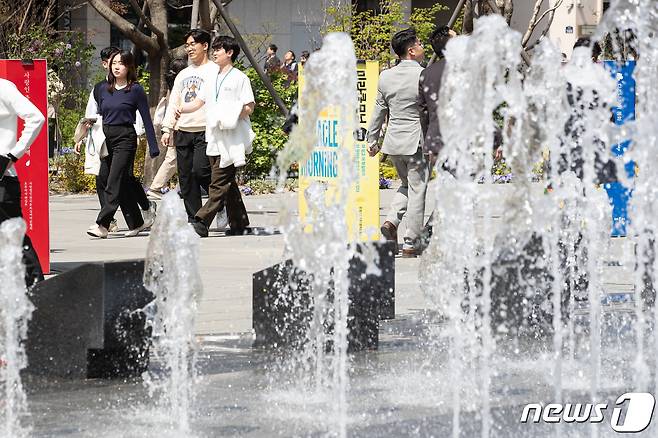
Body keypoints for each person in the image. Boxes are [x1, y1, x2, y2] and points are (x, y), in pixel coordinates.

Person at [178, 35, 253, 238]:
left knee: (218, 181)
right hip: (213, 136)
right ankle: (240, 223)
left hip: (232, 137)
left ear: (229, 53)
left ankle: (201, 222)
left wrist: (228, 116)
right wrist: (180, 109)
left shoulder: (240, 78)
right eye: (215, 49)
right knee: (226, 181)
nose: (215, 52)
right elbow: (199, 102)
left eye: (219, 49)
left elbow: (249, 107)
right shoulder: (211, 78)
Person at [77, 46, 156, 233]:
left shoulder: (135, 90)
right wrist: (83, 135)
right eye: (114, 63)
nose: (116, 67)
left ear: (129, 66)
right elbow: (94, 116)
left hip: (125, 139)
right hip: (107, 138)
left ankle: (103, 224)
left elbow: (146, 118)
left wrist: (153, 146)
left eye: (121, 63)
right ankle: (137, 222)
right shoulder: (103, 89)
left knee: (114, 180)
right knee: (105, 178)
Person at [367, 28, 428, 258]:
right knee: (418, 190)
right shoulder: (423, 75)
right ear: (411, 50)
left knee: (406, 186)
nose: (422, 46)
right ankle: (411, 241)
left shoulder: (385, 76)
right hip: (416, 142)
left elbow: (378, 111)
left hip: (393, 143)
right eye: (419, 43)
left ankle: (391, 222)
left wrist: (372, 140)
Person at [160, 29, 215, 223]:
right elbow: (174, 101)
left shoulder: (214, 71)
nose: (189, 48)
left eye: (193, 44)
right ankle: (195, 218)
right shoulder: (183, 74)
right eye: (187, 45)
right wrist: (168, 128)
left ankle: (219, 203)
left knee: (201, 171)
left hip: (205, 129)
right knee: (186, 178)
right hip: (183, 129)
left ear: (205, 45)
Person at [0, 78, 46, 285]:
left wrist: (13, 155)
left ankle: (37, 291)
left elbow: (36, 118)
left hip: (3, 179)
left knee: (14, 238)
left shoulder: (3, 87)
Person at [146, 58, 188, 200]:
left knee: (181, 159)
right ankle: (156, 187)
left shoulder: (171, 87)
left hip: (174, 128)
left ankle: (184, 187)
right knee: (172, 159)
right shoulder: (179, 87)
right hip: (176, 128)